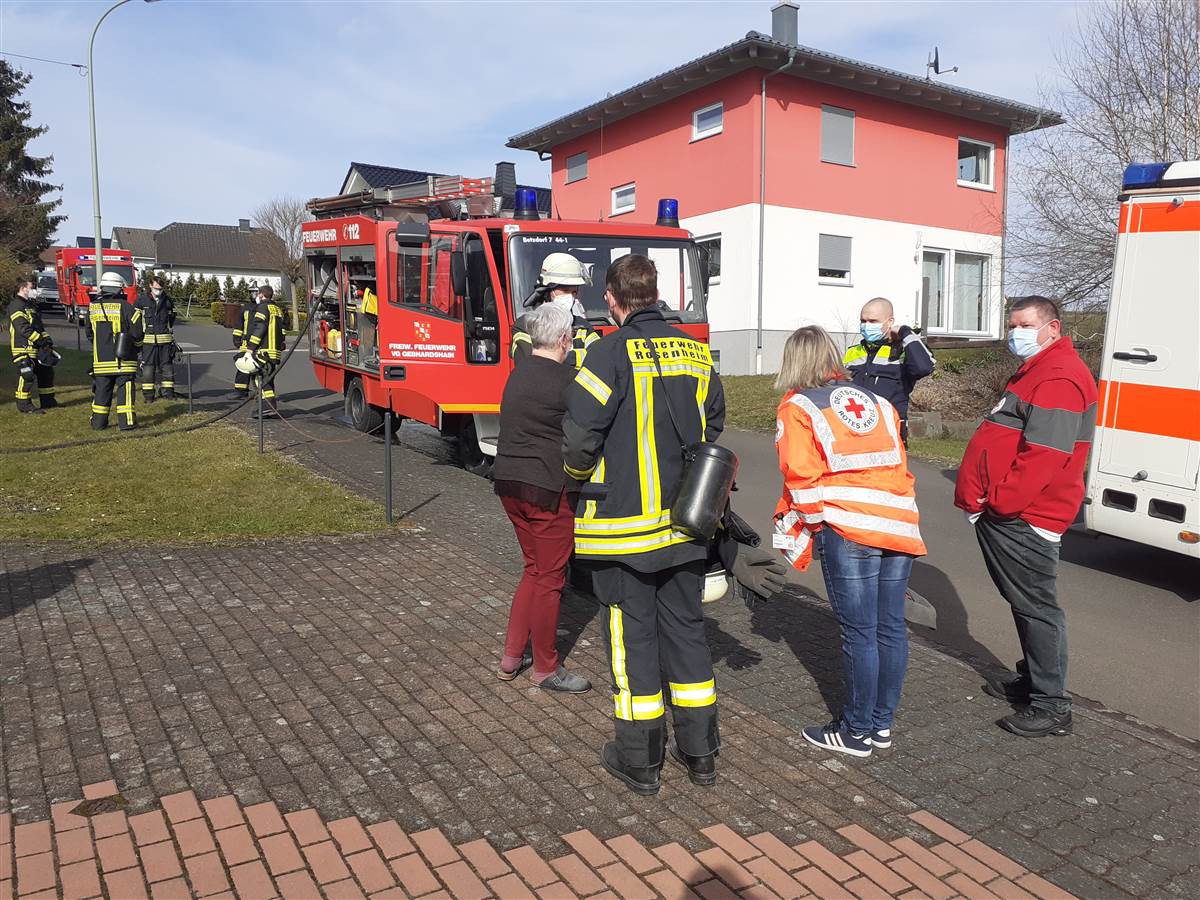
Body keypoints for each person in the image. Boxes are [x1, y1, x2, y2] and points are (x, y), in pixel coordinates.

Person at [562, 253, 725, 795]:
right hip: (687, 526)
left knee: (633, 640)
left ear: (612, 300)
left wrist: (577, 475)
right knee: (686, 632)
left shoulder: (606, 353)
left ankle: (639, 759)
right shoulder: (698, 355)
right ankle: (700, 753)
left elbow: (579, 439)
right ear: (655, 294)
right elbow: (714, 424)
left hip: (623, 531)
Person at [774, 325, 926, 758]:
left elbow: (801, 475)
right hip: (899, 523)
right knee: (890, 629)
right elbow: (899, 458)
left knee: (859, 633)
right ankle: (880, 726)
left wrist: (813, 523)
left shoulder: (798, 406)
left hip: (849, 527)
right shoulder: (879, 402)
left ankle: (855, 731)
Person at [954, 295, 1097, 738]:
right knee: (1025, 603)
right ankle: (1034, 680)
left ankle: (1052, 705)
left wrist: (1001, 504)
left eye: (1025, 324)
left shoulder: (1058, 376)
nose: (1015, 332)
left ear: (1052, 327)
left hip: (1025, 516)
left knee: (1037, 608)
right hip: (1013, 512)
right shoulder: (1038, 370)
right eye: (1012, 324)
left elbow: (1045, 456)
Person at [493, 303, 592, 694]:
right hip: (547, 490)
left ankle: (512, 657)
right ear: (565, 339)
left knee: (533, 569)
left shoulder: (517, 375)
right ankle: (546, 667)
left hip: (508, 483)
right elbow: (586, 432)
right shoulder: (568, 380)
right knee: (551, 578)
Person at [843, 298, 934, 444]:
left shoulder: (903, 352)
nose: (866, 326)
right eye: (863, 321)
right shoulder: (853, 352)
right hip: (853, 433)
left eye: (872, 321)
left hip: (889, 435)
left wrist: (905, 332)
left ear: (889, 322)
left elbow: (924, 367)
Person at [512, 252, 599, 370]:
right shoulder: (525, 325)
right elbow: (530, 363)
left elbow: (599, 360)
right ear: (547, 291)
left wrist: (555, 358)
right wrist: (579, 357)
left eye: (574, 292)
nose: (571, 297)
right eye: (565, 290)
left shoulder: (583, 327)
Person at [88, 271, 145, 430]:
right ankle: (126, 423)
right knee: (125, 393)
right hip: (123, 361)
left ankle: (98, 423)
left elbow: (89, 333)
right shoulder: (127, 308)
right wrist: (137, 347)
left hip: (100, 362)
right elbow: (138, 333)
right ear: (120, 289)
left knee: (101, 394)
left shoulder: (92, 308)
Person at [9, 277, 57, 414]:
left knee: (46, 373)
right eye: (31, 287)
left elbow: (39, 327)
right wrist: (39, 340)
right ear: (23, 289)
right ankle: (24, 406)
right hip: (22, 348)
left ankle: (49, 402)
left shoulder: (31, 306)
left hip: (37, 348)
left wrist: (47, 341)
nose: (34, 290)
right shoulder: (16, 306)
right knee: (27, 375)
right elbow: (23, 328)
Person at [135, 276, 178, 401]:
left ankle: (168, 393)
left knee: (167, 368)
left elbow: (171, 320)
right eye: (156, 288)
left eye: (160, 288)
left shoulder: (168, 301)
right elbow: (135, 322)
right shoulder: (141, 301)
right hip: (148, 341)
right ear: (150, 286)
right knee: (148, 368)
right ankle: (149, 396)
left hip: (165, 342)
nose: (158, 291)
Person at [245, 285, 285, 415]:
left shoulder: (262, 307)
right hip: (275, 351)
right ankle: (267, 408)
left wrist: (250, 348)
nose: (257, 297)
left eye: (258, 294)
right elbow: (282, 330)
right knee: (268, 379)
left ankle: (268, 406)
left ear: (261, 295)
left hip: (264, 350)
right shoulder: (277, 309)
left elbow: (260, 328)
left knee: (259, 378)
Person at [231, 290, 258, 398]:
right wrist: (237, 338)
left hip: (260, 344)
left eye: (256, 292)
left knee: (258, 369)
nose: (254, 295)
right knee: (243, 366)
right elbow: (239, 324)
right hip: (245, 343)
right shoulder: (245, 308)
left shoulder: (265, 308)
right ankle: (240, 390)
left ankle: (260, 393)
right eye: (252, 292)